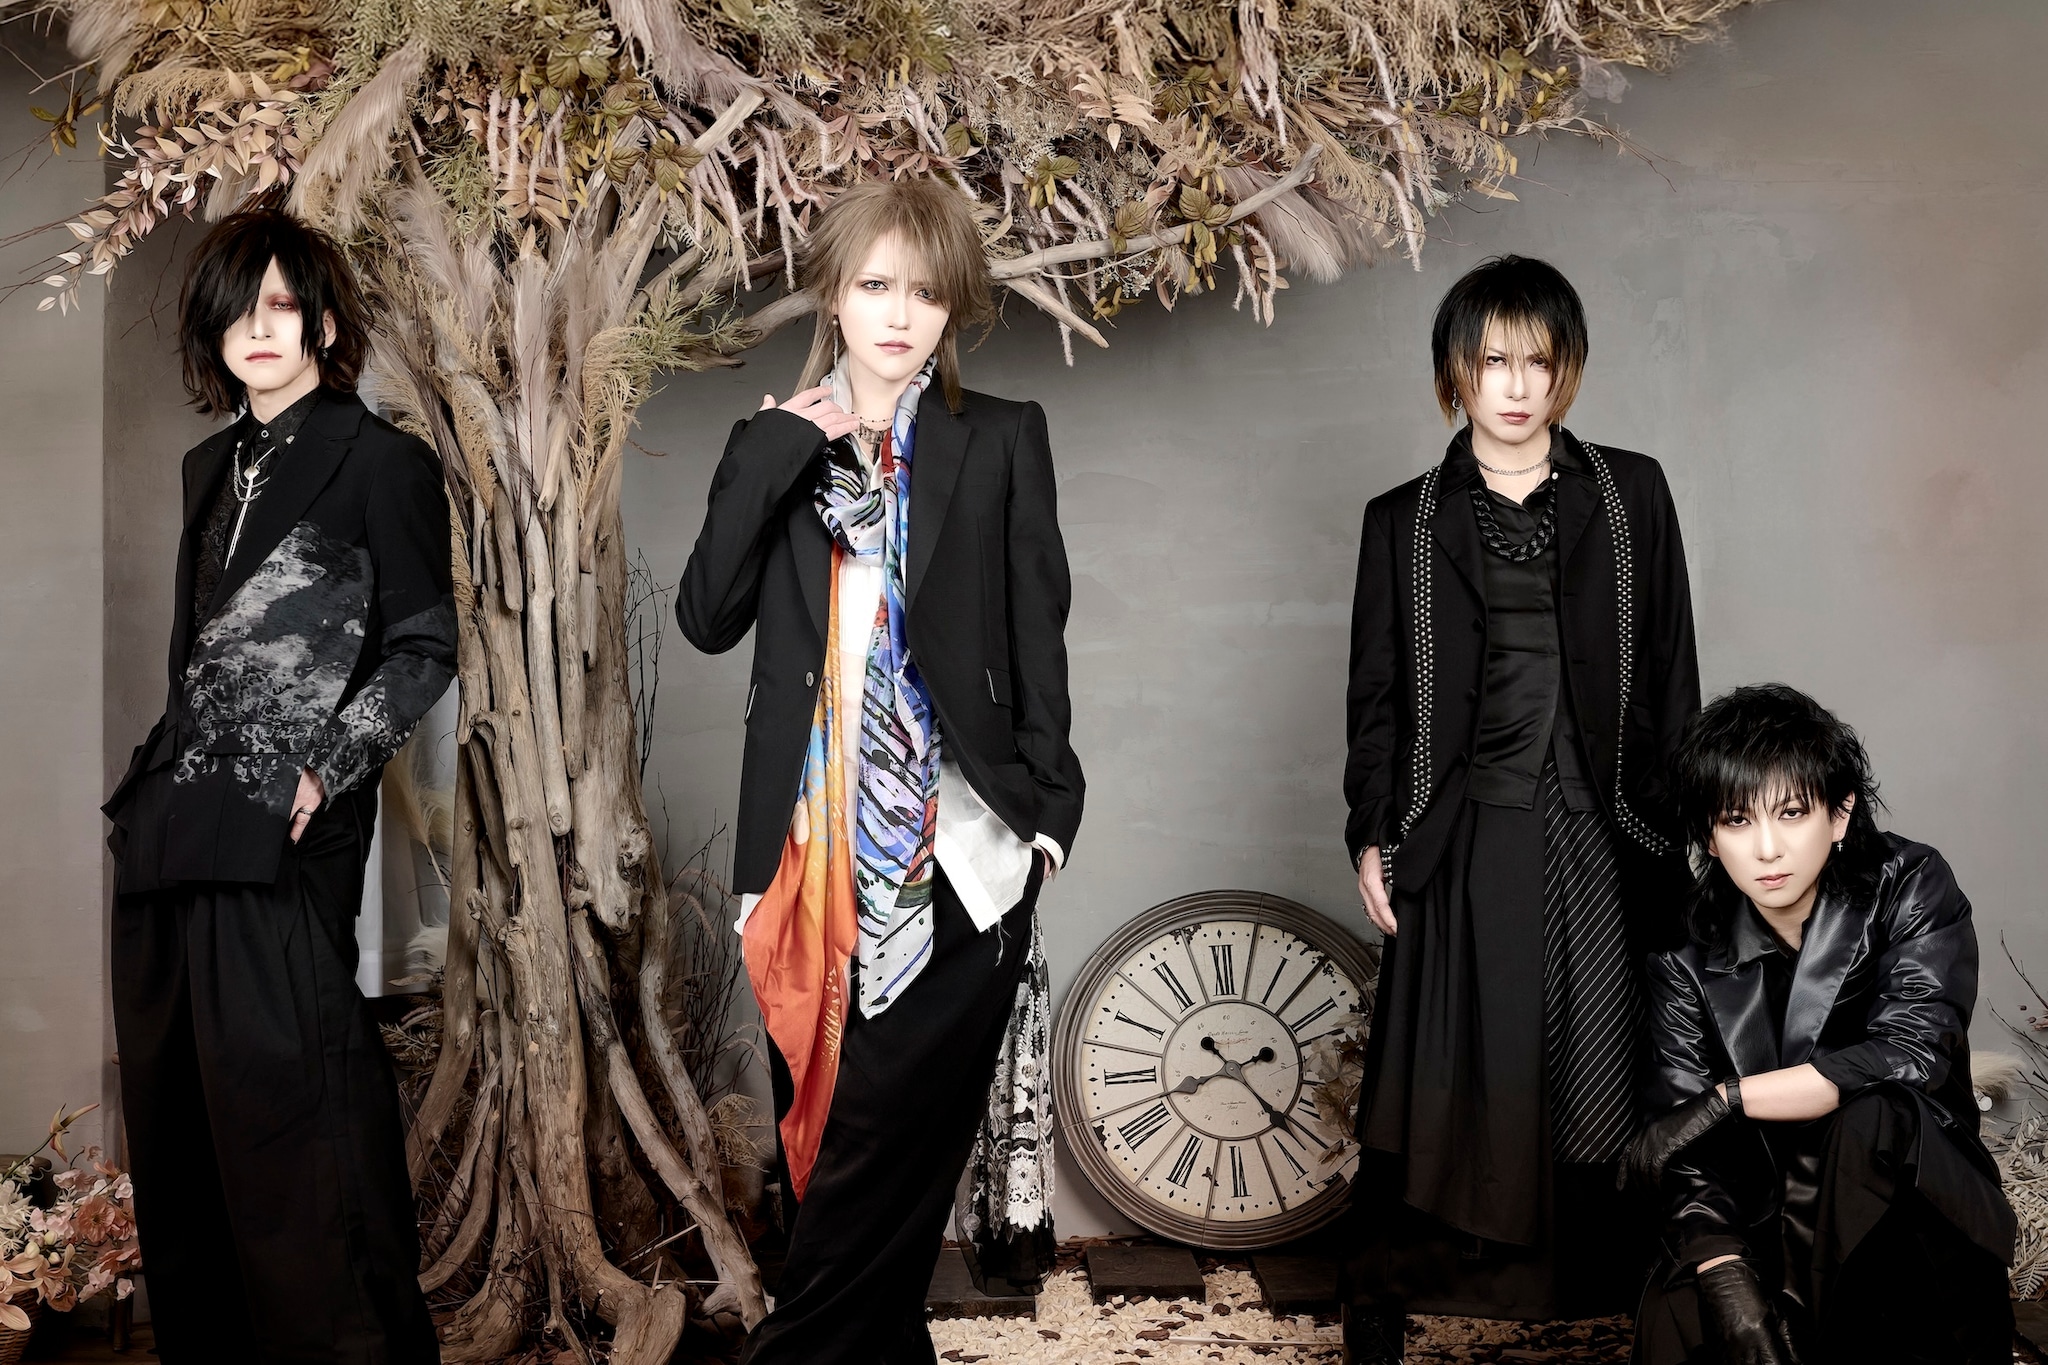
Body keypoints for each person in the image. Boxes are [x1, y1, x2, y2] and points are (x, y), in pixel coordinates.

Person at [675, 175, 1083, 1365]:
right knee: (829, 1133)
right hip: (811, 847)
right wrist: (778, 446)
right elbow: (706, 616)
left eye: (923, 292)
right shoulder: (773, 443)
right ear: (832, 296)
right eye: (873, 286)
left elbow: (1036, 629)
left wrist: (1050, 813)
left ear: (952, 308)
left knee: (897, 1132)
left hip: (964, 845)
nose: (898, 315)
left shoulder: (997, 435)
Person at [100, 209, 453, 1361]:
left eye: (283, 306)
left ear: (325, 325)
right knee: (182, 1128)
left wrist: (325, 772)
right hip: (170, 830)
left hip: (287, 832)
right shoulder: (209, 466)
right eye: (238, 310)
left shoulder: (382, 462)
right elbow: (195, 660)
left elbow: (424, 649)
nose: (259, 328)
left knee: (301, 1128)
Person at [1340, 256, 1700, 1356]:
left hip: (1607, 823)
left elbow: (1673, 670)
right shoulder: (1402, 521)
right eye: (1492, 360)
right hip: (1460, 829)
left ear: (1565, 370)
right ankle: (1382, 1300)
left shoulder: (1630, 495)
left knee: (1602, 1058)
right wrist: (1370, 832)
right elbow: (1375, 699)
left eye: (1537, 361)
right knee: (1441, 1074)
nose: (1515, 385)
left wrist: (1692, 825)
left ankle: (1621, 1297)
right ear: (1455, 370)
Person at [1625, 684, 2015, 1364]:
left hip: (1909, 1208)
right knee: (1684, 1310)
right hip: (1768, 1210)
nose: (1767, 848)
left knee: (1875, 1117)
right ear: (1710, 838)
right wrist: (1722, 1269)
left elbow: (1911, 1053)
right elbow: (1680, 1145)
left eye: (1792, 812)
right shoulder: (1684, 951)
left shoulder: (1909, 881)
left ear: (1839, 815)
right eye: (1737, 820)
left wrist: (1732, 1098)